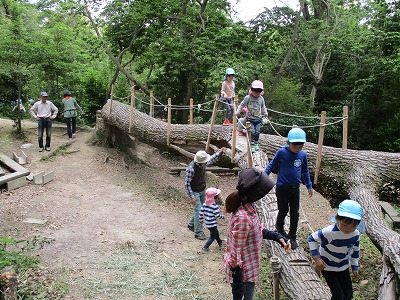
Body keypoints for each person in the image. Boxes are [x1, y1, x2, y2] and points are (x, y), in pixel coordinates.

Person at [224, 168, 291, 300]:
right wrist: (238, 284)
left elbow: (256, 230)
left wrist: (278, 237)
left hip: (249, 267)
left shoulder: (249, 207)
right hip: (244, 274)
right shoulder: (242, 217)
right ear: (254, 193)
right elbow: (235, 251)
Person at [264, 127, 313, 250]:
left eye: (300, 146)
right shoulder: (282, 152)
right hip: (282, 188)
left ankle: (292, 235)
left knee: (295, 213)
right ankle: (279, 229)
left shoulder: (302, 155)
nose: (297, 149)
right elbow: (271, 165)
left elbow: (305, 171)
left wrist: (309, 186)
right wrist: (263, 177)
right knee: (283, 211)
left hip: (295, 188)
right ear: (288, 142)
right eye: (294, 146)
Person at [308, 199, 363, 300]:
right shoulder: (329, 232)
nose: (348, 229)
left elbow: (355, 250)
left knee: (348, 294)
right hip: (327, 266)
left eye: (353, 226)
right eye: (345, 225)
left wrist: (355, 266)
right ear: (337, 219)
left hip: (343, 266)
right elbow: (312, 238)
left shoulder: (355, 234)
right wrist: (316, 258)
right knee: (338, 296)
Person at [185, 148, 225, 240]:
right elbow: (187, 184)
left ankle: (191, 225)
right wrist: (192, 197)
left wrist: (218, 153)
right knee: (199, 211)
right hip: (194, 191)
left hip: (202, 189)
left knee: (200, 208)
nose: (206, 162)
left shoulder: (203, 163)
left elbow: (210, 159)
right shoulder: (191, 169)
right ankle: (198, 232)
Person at [235, 80, 268, 152]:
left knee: (257, 131)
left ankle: (256, 143)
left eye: (259, 91)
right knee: (252, 131)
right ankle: (252, 144)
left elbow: (263, 106)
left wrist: (265, 113)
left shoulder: (261, 98)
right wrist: (237, 112)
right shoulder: (248, 97)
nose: (257, 93)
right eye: (255, 91)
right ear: (252, 90)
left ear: (261, 91)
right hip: (250, 118)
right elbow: (241, 105)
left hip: (258, 118)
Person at [199, 187, 225, 253]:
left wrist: (201, 220)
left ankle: (220, 243)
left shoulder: (204, 204)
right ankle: (205, 248)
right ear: (215, 197)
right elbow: (217, 215)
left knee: (216, 233)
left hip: (208, 223)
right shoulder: (214, 206)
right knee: (212, 236)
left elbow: (201, 213)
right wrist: (222, 216)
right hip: (212, 224)